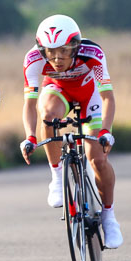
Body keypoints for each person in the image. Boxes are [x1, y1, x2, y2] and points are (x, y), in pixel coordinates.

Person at [20, 14, 122, 248]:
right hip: (57, 90)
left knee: (97, 160)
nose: (57, 58)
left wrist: (106, 131)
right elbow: (29, 103)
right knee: (48, 115)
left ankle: (109, 217)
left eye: (64, 51)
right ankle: (57, 177)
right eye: (51, 51)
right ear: (41, 49)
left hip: (90, 94)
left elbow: (107, 97)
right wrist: (30, 136)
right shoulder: (33, 59)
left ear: (76, 46)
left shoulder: (92, 53)